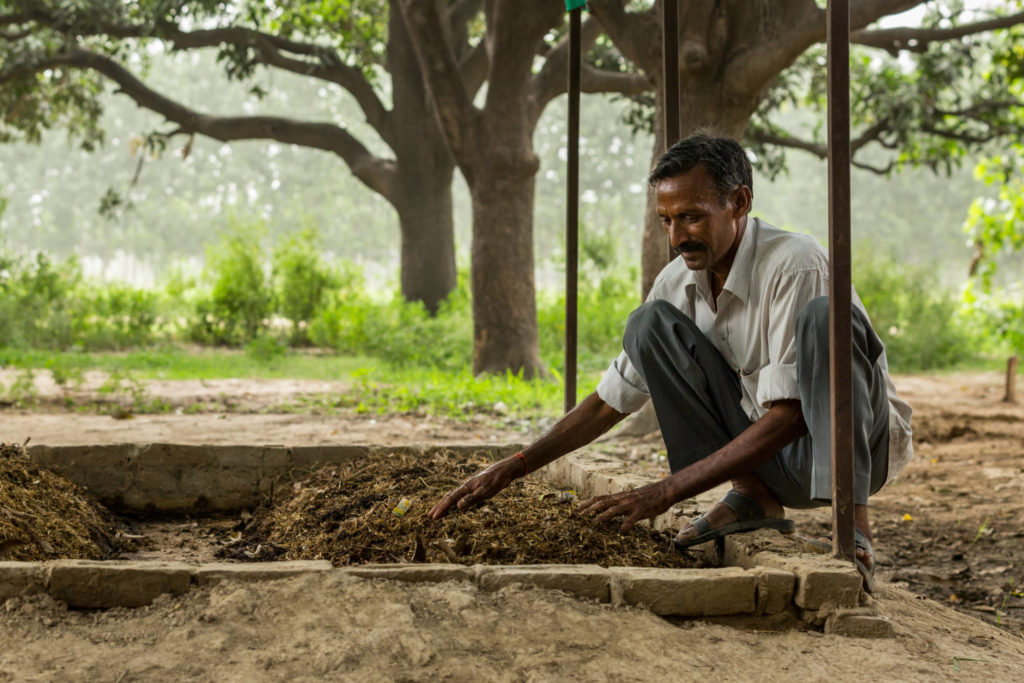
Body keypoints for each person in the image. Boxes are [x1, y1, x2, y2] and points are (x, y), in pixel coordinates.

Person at [429, 132, 913, 587]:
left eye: (692, 216)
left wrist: (665, 491)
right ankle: (754, 496)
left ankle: (855, 526)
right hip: (772, 460)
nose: (677, 236)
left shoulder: (795, 263)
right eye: (667, 220)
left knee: (827, 317)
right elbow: (608, 402)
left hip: (846, 452)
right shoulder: (677, 280)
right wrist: (515, 464)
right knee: (648, 325)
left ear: (739, 203)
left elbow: (790, 418)